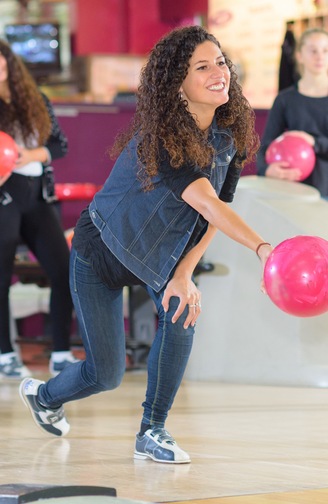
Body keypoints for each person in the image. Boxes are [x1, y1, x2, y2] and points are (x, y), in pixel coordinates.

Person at [17, 26, 271, 464]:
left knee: (182, 313)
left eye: (222, 63)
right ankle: (43, 396)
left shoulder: (228, 140)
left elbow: (214, 213)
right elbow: (207, 203)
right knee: (106, 374)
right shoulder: (163, 141)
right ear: (178, 85)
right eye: (203, 67)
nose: (219, 73)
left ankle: (153, 430)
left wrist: (185, 274)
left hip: (160, 256)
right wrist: (264, 249)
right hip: (100, 254)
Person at [0, 36, 76, 379]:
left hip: (38, 196)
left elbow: (59, 145)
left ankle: (61, 353)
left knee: (64, 273)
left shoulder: (36, 99)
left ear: (8, 59)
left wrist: (28, 155)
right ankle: (7, 358)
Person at [257, 28, 328, 218]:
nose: (320, 56)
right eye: (313, 50)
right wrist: (267, 170)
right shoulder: (285, 100)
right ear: (299, 56)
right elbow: (265, 148)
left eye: (326, 50)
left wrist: (315, 143)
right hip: (295, 196)